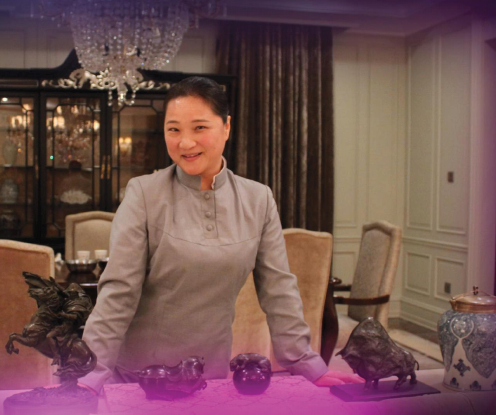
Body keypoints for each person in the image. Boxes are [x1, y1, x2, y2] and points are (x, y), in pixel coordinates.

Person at [81, 76, 360, 392]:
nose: (185, 143)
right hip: (143, 377)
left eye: (199, 127)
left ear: (226, 127)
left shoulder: (258, 199)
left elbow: (279, 289)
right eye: (174, 129)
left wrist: (308, 365)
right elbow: (118, 292)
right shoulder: (144, 194)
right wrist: (89, 375)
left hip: (209, 374)